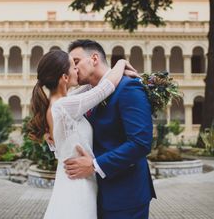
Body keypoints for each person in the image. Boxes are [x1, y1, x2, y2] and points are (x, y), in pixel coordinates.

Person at [29, 49, 136, 219]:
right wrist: (121, 63)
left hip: (72, 180)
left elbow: (93, 85)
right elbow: (104, 89)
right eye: (74, 67)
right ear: (64, 77)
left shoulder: (59, 103)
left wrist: (117, 73)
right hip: (77, 186)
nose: (77, 70)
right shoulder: (65, 105)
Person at [64, 39, 156, 219]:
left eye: (76, 62)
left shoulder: (128, 86)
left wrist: (94, 165)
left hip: (125, 196)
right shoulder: (86, 95)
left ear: (94, 58)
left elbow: (140, 143)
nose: (74, 69)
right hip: (94, 195)